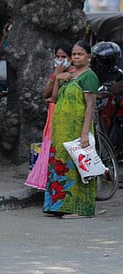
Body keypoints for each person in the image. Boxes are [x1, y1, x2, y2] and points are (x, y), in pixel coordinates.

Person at [43, 40, 99, 218]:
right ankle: (59, 206)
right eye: (74, 54)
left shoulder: (89, 76)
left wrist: (84, 134)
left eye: (80, 54)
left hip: (77, 129)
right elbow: (53, 98)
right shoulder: (70, 74)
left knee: (79, 167)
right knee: (61, 165)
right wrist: (58, 77)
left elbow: (90, 107)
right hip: (61, 129)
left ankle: (81, 209)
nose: (76, 57)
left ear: (88, 57)